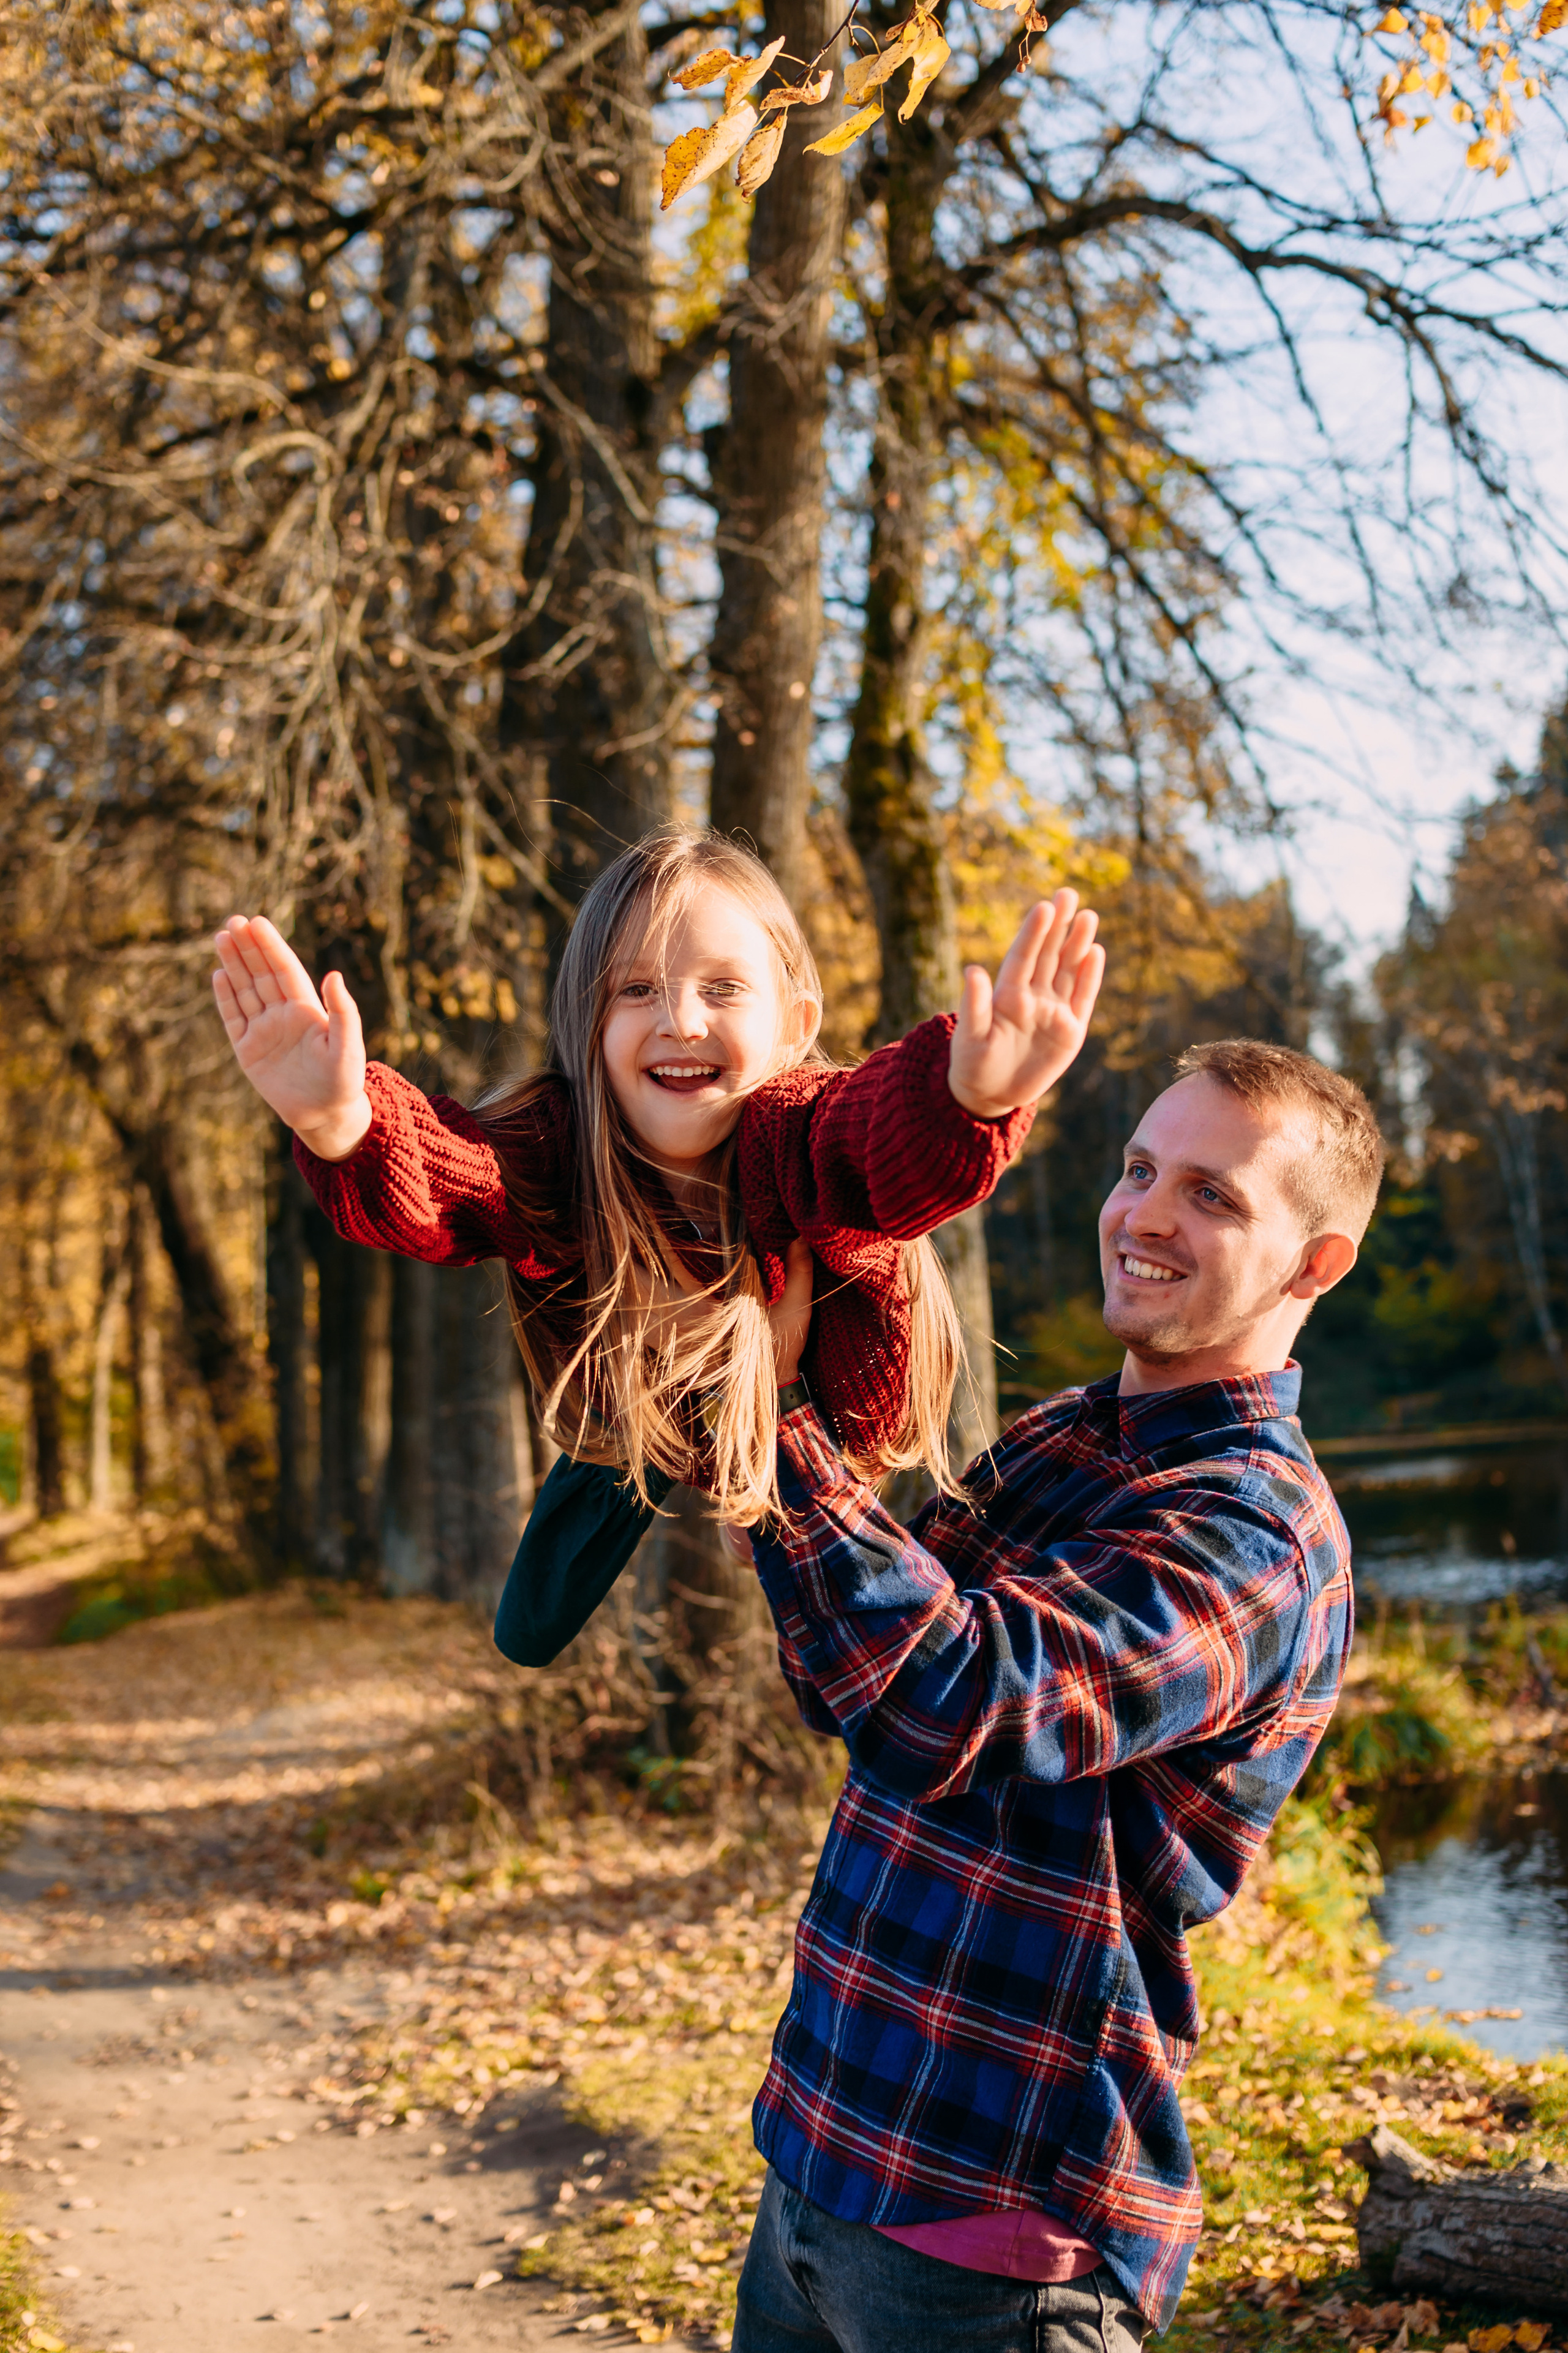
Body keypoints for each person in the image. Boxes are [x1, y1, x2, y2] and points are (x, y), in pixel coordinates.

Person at [727, 1037, 1382, 2353]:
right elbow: (848, 1684)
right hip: (817, 2162)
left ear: (1314, 1264)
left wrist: (777, 1426)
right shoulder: (1062, 1434)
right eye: (1139, 1168)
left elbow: (947, 1698)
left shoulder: (1255, 1531)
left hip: (996, 2251)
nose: (1145, 1213)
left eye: (1212, 1193)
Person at [210, 830, 1104, 1660]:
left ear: (796, 1023)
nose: (680, 1019)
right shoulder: (562, 1143)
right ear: (588, 1025)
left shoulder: (797, 1127)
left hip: (824, 1410)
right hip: (640, 1395)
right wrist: (343, 1124)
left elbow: (873, 1145)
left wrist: (967, 1100)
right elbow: (452, 1174)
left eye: (723, 988)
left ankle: (743, 1489)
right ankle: (635, 1454)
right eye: (636, 990)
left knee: (854, 1628)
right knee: (529, 1626)